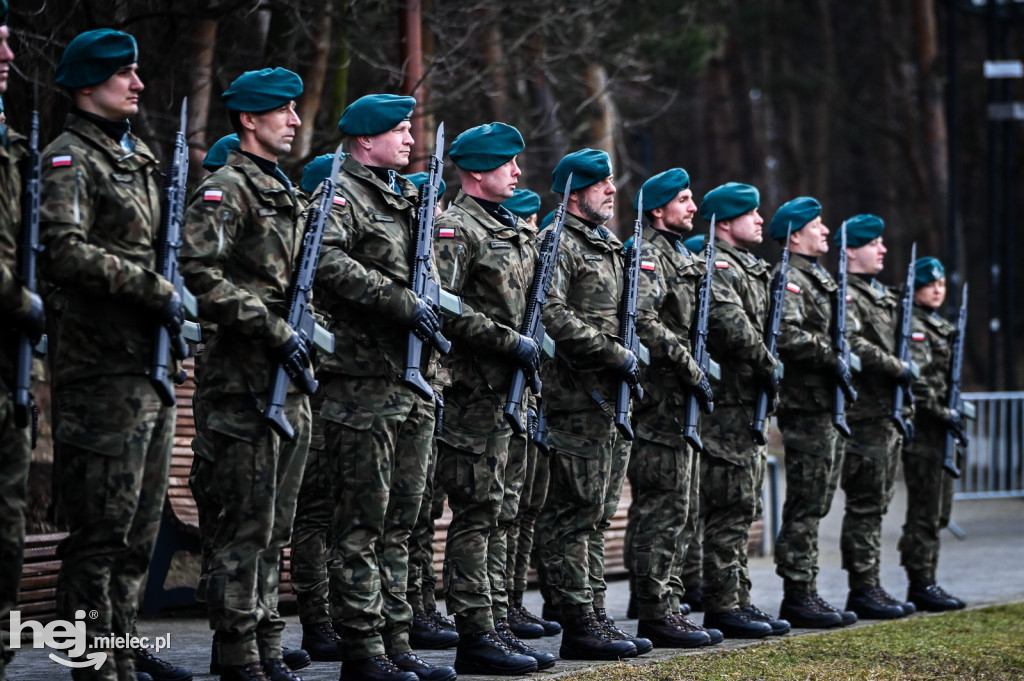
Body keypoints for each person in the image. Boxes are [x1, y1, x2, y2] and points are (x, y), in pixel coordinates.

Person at [39, 28, 181, 681]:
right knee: (98, 536)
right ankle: (90, 665)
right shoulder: (69, 158)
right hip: (98, 372)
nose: (139, 84)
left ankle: (125, 654)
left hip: (147, 369)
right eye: (125, 73)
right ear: (89, 83)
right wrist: (152, 286)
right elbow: (63, 252)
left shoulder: (138, 155)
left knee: (137, 536)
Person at [310, 94, 454, 681]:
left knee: (403, 522)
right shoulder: (339, 195)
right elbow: (324, 260)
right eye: (397, 131)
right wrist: (399, 302)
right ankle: (362, 649)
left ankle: (396, 641)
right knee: (362, 524)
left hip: (412, 382)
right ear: (364, 140)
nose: (409, 139)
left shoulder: (409, 196)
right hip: (362, 386)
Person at [180, 67, 313, 681]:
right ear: (248, 120)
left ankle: (266, 642)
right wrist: (272, 326)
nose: (294, 120)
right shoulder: (227, 188)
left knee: (275, 525)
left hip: (288, 378)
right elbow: (201, 276)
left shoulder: (284, 192)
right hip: (244, 382)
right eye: (282, 111)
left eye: (294, 109)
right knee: (245, 524)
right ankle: (237, 654)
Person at [432, 122, 554, 675]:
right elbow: (444, 308)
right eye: (506, 163)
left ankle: (498, 621)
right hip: (474, 395)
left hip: (512, 393)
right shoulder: (457, 229)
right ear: (478, 170)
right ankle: (475, 632)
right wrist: (512, 342)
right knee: (478, 515)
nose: (517, 172)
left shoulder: (509, 228)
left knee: (504, 513)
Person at [536, 149, 649, 661]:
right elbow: (551, 313)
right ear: (575, 191)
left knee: (597, 513)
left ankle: (593, 611)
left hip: (606, 400)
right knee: (573, 513)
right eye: (600, 183)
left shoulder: (605, 244)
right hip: (572, 398)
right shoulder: (558, 240)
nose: (611, 190)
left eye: (611, 182)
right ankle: (579, 621)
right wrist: (613, 354)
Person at [623, 168, 716, 649]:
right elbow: (642, 321)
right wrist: (690, 366)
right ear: (658, 210)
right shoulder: (650, 256)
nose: (693, 208)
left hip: (681, 405)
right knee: (664, 509)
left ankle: (666, 602)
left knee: (677, 508)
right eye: (683, 200)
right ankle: (658, 611)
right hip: (660, 403)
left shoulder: (682, 256)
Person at [696, 183, 788, 638]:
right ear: (726, 223)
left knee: (743, 507)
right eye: (749, 213)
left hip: (747, 404)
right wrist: (770, 364)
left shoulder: (752, 268)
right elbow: (733, 327)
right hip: (727, 407)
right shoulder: (717, 265)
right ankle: (722, 603)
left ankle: (739, 598)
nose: (759, 219)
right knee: (728, 508)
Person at [768, 197, 856, 629]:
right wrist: (831, 353)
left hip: (826, 407)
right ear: (795, 234)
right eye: (817, 225)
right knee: (805, 503)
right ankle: (798, 593)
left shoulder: (820, 277)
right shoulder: (791, 277)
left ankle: (809, 589)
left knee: (818, 502)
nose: (825, 232)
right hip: (807, 408)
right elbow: (786, 333)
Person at [837, 214, 916, 620]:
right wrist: (895, 366)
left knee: (878, 506)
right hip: (865, 416)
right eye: (874, 243)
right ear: (851, 250)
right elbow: (853, 345)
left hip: (886, 416)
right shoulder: (847, 294)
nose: (883, 249)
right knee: (865, 506)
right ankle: (863, 588)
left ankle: (872, 584)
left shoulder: (878, 294)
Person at [0, 5, 46, 680]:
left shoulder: (12, 142)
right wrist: (22, 299)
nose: (9, 53)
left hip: (9, 363)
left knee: (7, 522)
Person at [499, 187, 562, 640]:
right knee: (501, 511)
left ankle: (513, 601)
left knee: (525, 509)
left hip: (535, 399)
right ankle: (498, 608)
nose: (531, 228)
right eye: (527, 219)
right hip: (497, 394)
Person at [898, 257, 967, 612]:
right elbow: (920, 383)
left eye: (941, 284)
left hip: (942, 428)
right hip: (926, 429)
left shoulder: (938, 324)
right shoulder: (914, 324)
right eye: (931, 285)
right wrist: (945, 414)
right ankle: (920, 581)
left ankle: (929, 578)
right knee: (925, 510)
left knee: (938, 510)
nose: (938, 290)